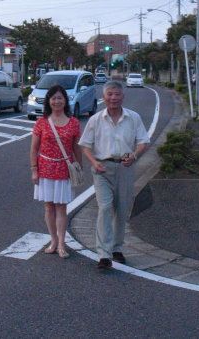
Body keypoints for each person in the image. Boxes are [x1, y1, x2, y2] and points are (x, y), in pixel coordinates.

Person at [79, 81, 150, 269]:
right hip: (102, 169)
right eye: (110, 94)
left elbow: (143, 141)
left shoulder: (133, 118)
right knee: (105, 207)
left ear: (122, 97)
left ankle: (117, 248)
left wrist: (134, 155)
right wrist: (94, 162)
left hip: (125, 168)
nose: (113, 98)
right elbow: (85, 145)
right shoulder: (95, 119)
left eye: (117, 94)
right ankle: (104, 254)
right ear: (104, 97)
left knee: (122, 209)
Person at [30, 84, 82, 259]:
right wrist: (34, 170)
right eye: (54, 98)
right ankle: (53, 240)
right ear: (49, 101)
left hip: (63, 169)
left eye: (60, 98)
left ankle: (61, 244)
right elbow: (33, 149)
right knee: (48, 207)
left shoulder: (74, 122)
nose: (57, 101)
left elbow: (77, 148)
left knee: (61, 208)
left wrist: (79, 168)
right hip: (45, 169)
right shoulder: (42, 122)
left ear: (65, 100)